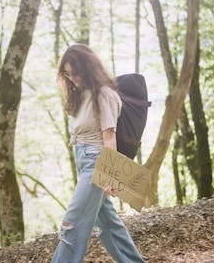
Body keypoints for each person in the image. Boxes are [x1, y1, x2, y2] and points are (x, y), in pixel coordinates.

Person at [51, 44, 146, 263]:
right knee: (109, 225)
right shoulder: (82, 94)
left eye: (76, 72)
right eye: (67, 73)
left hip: (96, 162)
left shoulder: (105, 94)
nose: (72, 77)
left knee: (71, 224)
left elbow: (109, 135)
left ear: (88, 68)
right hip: (83, 160)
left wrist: (110, 174)